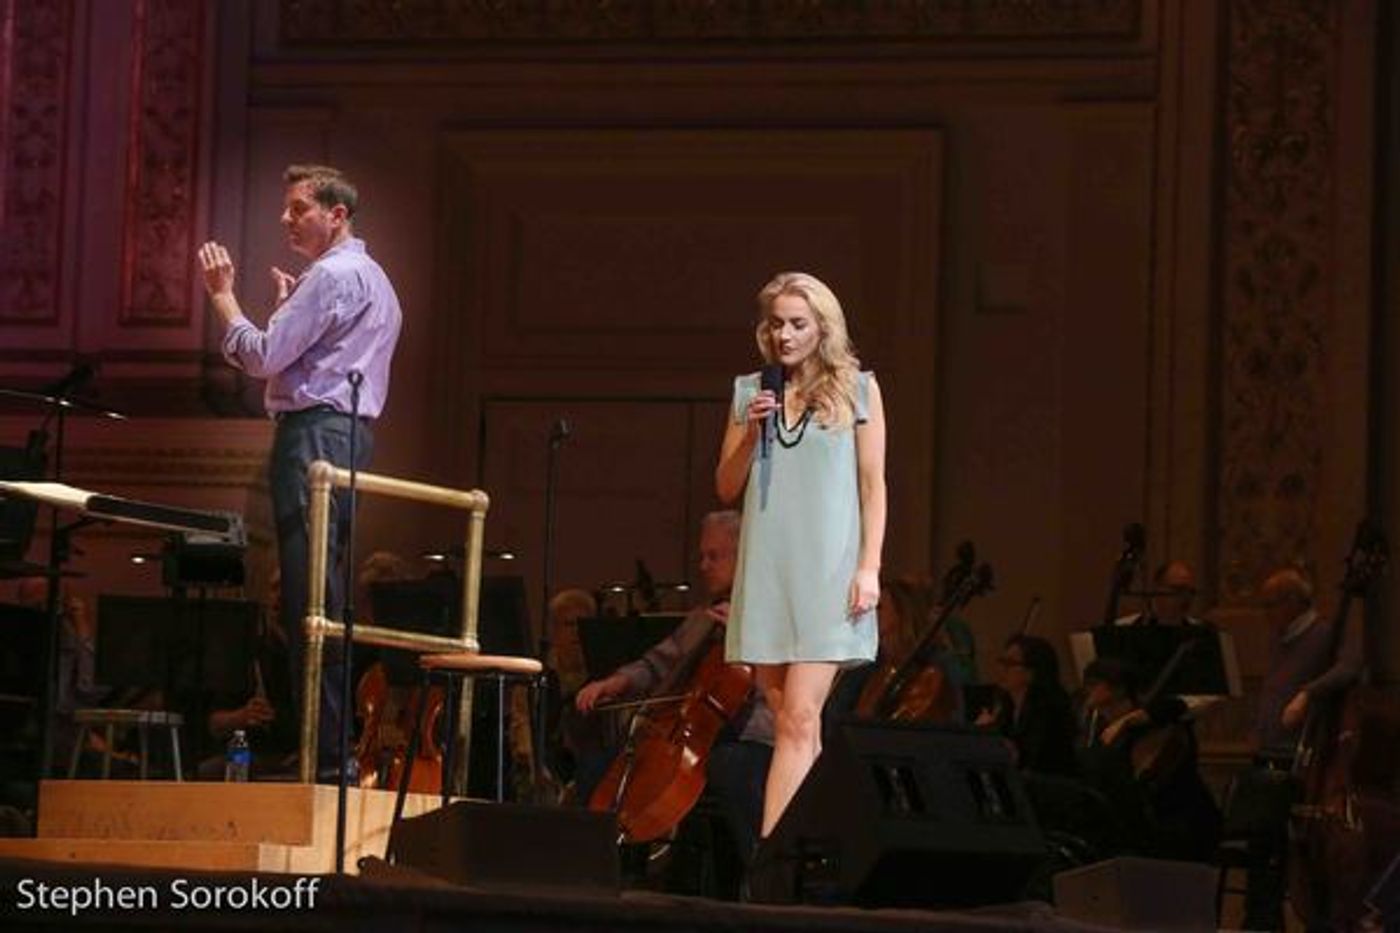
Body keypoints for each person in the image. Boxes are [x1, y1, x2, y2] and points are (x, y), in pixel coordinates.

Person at [198, 164, 403, 777]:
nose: (286, 219)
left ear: (336, 215)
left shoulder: (331, 275)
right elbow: (319, 359)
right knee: (322, 594)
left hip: (313, 436)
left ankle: (327, 757)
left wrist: (222, 295)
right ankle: (328, 750)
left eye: (298, 208)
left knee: (307, 601)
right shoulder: (376, 279)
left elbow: (262, 358)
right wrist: (291, 314)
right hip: (349, 437)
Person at [716, 271, 886, 840]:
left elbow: (873, 487)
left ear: (822, 327)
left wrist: (870, 568)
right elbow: (725, 486)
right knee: (791, 723)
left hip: (829, 572)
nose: (784, 335)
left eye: (797, 323)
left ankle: (770, 858)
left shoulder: (858, 389)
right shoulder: (749, 392)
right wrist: (749, 431)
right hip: (768, 573)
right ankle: (808, 856)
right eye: (776, 323)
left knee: (800, 717)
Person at [573, 511, 772, 889]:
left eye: (715, 556)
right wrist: (615, 682)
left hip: (749, 739)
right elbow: (658, 661)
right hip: (687, 734)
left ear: (745, 556)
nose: (703, 566)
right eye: (702, 556)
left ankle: (761, 877)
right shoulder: (703, 617)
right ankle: (607, 878)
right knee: (599, 765)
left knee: (731, 767)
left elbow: (781, 693)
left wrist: (748, 640)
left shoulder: (771, 618)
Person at [1079, 657, 1220, 862]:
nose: (1086, 690)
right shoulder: (1095, 726)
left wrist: (1126, 722)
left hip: (1176, 824)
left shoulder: (1157, 724)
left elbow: (1179, 705)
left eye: (1093, 684)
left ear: (1118, 690)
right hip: (1135, 824)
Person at [975, 635, 1078, 777]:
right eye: (1002, 662)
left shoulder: (1050, 709)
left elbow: (1033, 760)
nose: (1002, 669)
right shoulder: (1006, 707)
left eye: (1010, 664)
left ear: (1032, 671)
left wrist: (992, 735)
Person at [1114, 560, 1209, 627]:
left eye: (1190, 592)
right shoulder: (1124, 629)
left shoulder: (1200, 633)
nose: (1185, 597)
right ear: (1156, 589)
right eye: (1178, 590)